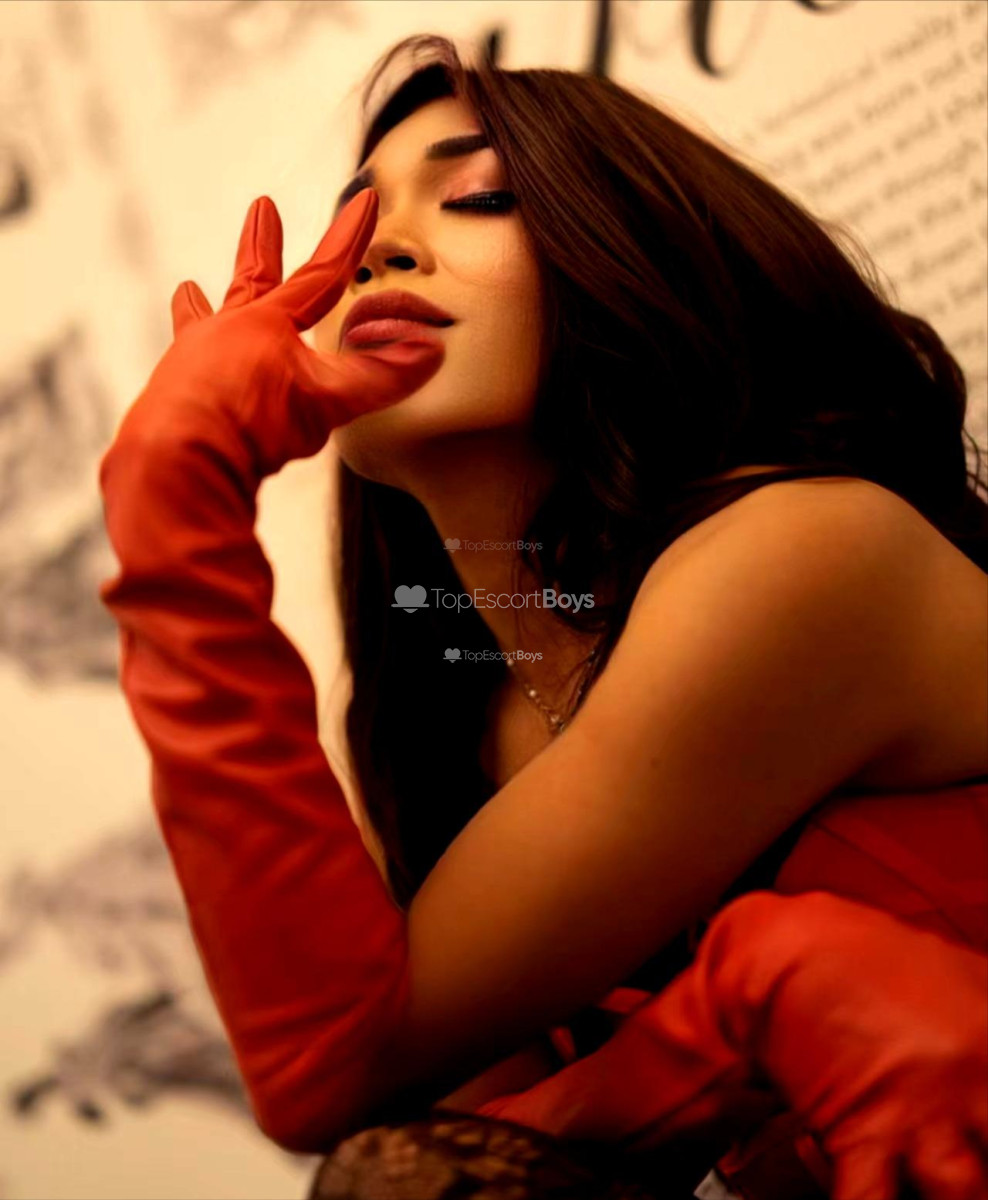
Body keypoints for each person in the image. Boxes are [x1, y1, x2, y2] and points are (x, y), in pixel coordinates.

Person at [96, 32, 987, 1200]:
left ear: (636, 243)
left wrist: (175, 492)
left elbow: (329, 1073)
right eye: (353, 228)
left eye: (478, 197)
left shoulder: (803, 553)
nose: (379, 253)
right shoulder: (448, 736)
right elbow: (429, 1149)